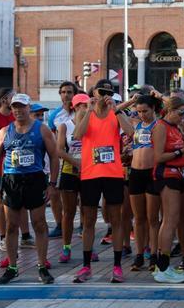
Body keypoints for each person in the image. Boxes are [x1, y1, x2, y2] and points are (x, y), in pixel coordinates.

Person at [0, 94, 59, 285]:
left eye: (22, 107)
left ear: (29, 108)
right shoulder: (5, 131)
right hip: (11, 180)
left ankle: (42, 266)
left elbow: (54, 156)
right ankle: (12, 267)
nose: (18, 111)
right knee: (11, 226)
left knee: (39, 223)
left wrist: (52, 184)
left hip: (35, 179)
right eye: (14, 107)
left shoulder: (41, 129)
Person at [72, 79, 135, 283]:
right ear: (94, 92)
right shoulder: (84, 113)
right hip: (90, 173)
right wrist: (89, 111)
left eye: (109, 92)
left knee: (116, 219)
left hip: (113, 173)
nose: (105, 95)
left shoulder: (116, 113)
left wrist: (116, 110)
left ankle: (117, 266)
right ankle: (86, 266)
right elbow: (77, 134)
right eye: (102, 91)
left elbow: (130, 132)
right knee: (89, 220)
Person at [150, 96, 184, 283]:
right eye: (181, 112)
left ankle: (163, 265)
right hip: (166, 175)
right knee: (169, 220)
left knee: (172, 220)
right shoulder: (161, 126)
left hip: (177, 174)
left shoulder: (176, 128)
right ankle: (162, 267)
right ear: (170, 110)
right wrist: (180, 153)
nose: (183, 116)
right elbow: (159, 156)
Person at [56, 93, 94, 265]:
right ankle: (66, 247)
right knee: (69, 213)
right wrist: (76, 162)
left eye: (87, 106)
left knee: (88, 213)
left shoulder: (92, 124)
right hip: (70, 171)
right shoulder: (65, 126)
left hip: (89, 172)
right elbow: (59, 151)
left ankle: (89, 248)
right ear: (74, 107)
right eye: (81, 106)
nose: (84, 109)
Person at [125, 94, 161, 271]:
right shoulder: (135, 124)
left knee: (152, 218)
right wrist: (132, 101)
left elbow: (175, 108)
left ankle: (154, 254)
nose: (142, 114)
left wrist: (159, 96)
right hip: (136, 173)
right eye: (138, 111)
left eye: (145, 110)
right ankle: (139, 254)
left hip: (152, 173)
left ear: (154, 108)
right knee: (138, 218)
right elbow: (115, 111)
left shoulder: (159, 125)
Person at [46, 82, 78, 239]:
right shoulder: (54, 115)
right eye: (63, 92)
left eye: (69, 92)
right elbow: (50, 136)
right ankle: (59, 224)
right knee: (55, 193)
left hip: (78, 158)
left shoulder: (79, 111)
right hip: (58, 159)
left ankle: (82, 226)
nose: (66, 95)